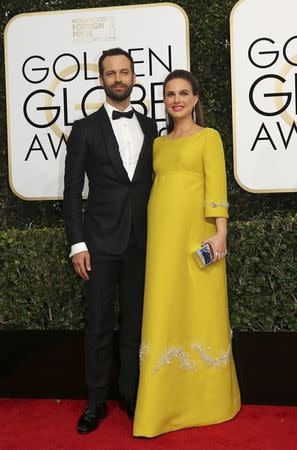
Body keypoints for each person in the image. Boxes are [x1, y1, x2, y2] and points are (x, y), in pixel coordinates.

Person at [133, 69, 241, 437]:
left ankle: (209, 401)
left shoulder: (209, 137)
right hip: (161, 240)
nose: (176, 99)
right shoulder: (159, 144)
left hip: (198, 237)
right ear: (164, 101)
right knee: (164, 305)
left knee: (201, 306)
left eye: (183, 93)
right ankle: (163, 403)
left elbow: (216, 185)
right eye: (169, 94)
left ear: (196, 99)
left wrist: (220, 233)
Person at [63, 47, 158, 434]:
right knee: (100, 325)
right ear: (101, 80)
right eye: (110, 73)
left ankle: (131, 394)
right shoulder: (84, 130)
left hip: (143, 243)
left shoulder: (152, 127)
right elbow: (71, 193)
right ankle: (96, 401)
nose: (118, 78)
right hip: (99, 244)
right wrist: (77, 244)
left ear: (134, 77)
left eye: (124, 72)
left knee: (135, 324)